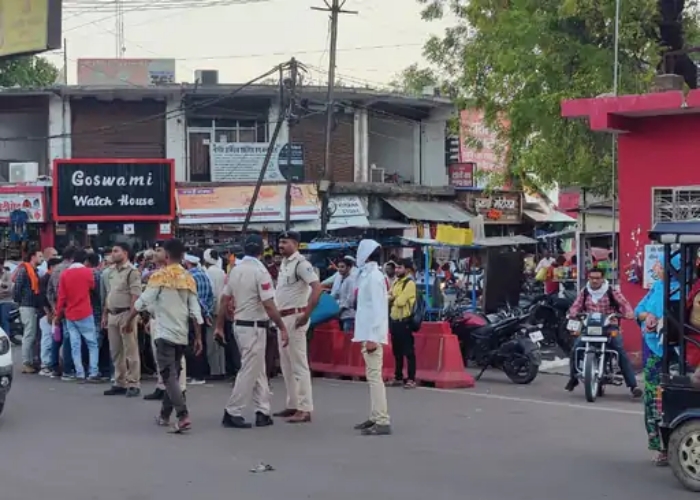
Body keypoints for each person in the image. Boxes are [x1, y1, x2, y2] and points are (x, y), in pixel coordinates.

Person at [215, 234, 288, 429]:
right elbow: (269, 304)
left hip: (240, 325)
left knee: (258, 370)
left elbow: (224, 300)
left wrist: (219, 326)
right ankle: (233, 410)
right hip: (255, 326)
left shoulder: (235, 271)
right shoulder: (260, 271)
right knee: (249, 370)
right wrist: (282, 327)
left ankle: (263, 411)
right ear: (262, 251)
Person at [129, 239, 203, 432]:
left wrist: (128, 320)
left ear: (167, 256)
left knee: (168, 376)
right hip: (181, 334)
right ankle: (164, 415)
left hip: (164, 333)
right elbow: (195, 311)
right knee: (174, 375)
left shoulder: (159, 276)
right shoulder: (188, 277)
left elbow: (143, 301)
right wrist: (198, 337)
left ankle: (183, 414)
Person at [566, 266, 641, 397]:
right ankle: (573, 378)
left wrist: (628, 312)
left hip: (608, 327)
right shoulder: (585, 292)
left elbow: (624, 304)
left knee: (619, 350)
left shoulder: (611, 291)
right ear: (588, 278)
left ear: (603, 279)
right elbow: (575, 306)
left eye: (597, 278)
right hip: (589, 328)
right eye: (592, 278)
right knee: (576, 348)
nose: (594, 281)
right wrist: (573, 313)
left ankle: (633, 386)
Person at [273, 230, 322, 424]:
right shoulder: (285, 264)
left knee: (299, 364)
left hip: (295, 317)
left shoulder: (302, 264)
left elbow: (317, 289)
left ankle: (305, 408)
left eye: (284, 242)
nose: (280, 246)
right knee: (286, 364)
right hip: (283, 318)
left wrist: (307, 314)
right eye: (280, 242)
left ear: (295, 243)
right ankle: (293, 404)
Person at [634, 257, 679, 466]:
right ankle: (661, 447)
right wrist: (648, 316)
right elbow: (638, 310)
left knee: (675, 401)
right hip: (654, 351)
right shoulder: (658, 287)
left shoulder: (683, 290)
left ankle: (674, 445)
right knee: (653, 401)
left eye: (660, 265)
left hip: (678, 354)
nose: (655, 268)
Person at [353, 239, 391, 435]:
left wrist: (373, 337)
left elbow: (379, 309)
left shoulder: (374, 277)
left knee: (375, 378)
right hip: (367, 333)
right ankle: (375, 416)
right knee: (372, 377)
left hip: (372, 335)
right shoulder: (367, 275)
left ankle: (382, 420)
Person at [143, 245, 187, 401]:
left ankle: (179, 389)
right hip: (157, 318)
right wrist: (150, 319)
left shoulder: (177, 274)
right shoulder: (158, 273)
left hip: (172, 320)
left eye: (160, 250)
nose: (156, 253)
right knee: (159, 356)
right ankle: (162, 386)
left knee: (175, 358)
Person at [103, 243, 143, 397]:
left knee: (131, 351)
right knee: (116, 351)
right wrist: (105, 314)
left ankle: (133, 383)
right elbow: (109, 294)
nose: (112, 254)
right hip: (113, 314)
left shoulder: (132, 272)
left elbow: (135, 296)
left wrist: (131, 317)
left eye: (115, 251)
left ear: (125, 253)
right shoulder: (111, 272)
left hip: (126, 314)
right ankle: (120, 382)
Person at [55, 249, 100, 383]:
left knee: (75, 345)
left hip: (70, 314)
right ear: (86, 260)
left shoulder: (65, 274)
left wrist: (58, 315)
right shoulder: (88, 272)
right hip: (85, 312)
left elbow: (61, 297)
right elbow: (92, 287)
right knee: (92, 343)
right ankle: (93, 372)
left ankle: (79, 373)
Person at [183, 253, 214, 385]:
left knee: (193, 343)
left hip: (192, 312)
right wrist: (207, 313)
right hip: (203, 312)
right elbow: (211, 296)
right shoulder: (204, 275)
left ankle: (196, 375)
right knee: (202, 343)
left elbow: (189, 297)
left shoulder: (189, 276)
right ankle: (202, 373)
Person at [48, 246, 77, 380]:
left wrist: (54, 308)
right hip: (69, 307)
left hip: (57, 307)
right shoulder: (71, 270)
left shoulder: (55, 270)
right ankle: (67, 369)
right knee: (68, 338)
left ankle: (54, 366)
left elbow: (49, 291)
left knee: (57, 337)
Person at [389, 258, 418, 389]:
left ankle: (411, 378)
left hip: (405, 321)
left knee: (409, 352)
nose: (397, 270)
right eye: (396, 268)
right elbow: (388, 297)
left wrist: (393, 298)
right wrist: (393, 298)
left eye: (399, 268)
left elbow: (400, 301)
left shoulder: (409, 283)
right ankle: (398, 376)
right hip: (394, 321)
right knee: (397, 352)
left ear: (406, 269)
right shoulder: (396, 282)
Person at [13, 248, 42, 373]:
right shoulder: (24, 270)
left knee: (31, 334)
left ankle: (30, 361)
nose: (42, 259)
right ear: (33, 257)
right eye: (40, 256)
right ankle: (26, 362)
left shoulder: (34, 271)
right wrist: (20, 302)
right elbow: (17, 289)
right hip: (26, 306)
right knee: (29, 335)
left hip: (31, 306)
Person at [203, 248, 227, 379]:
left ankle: (215, 371)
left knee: (211, 341)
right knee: (220, 340)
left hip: (211, 310)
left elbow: (210, 293)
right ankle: (221, 369)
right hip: (222, 310)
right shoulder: (222, 272)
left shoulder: (207, 273)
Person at [38, 257, 61, 376]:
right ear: (52, 267)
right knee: (47, 339)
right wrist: (48, 313)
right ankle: (45, 365)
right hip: (46, 314)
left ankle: (50, 363)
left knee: (54, 339)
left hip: (53, 313)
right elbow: (42, 297)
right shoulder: (45, 279)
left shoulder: (51, 278)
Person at [335, 256, 358, 333]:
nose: (339, 269)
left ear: (348, 268)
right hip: (342, 315)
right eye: (338, 267)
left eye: (342, 267)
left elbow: (350, 299)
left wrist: (340, 309)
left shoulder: (351, 281)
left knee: (347, 339)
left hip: (349, 315)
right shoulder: (342, 279)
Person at [0, 261, 13, 338]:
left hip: (5, 301)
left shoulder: (7, 274)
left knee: (4, 321)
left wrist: (2, 285)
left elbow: (9, 288)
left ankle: (6, 339)